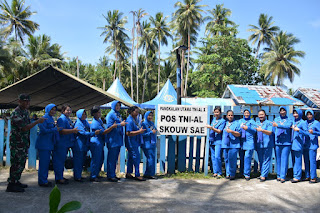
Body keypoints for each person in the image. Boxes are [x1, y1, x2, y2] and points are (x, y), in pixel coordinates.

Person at [6, 94, 45, 193]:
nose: (27, 103)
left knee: (22, 163)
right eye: (25, 101)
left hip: (23, 142)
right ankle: (11, 184)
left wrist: (36, 120)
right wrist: (37, 122)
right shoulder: (16, 113)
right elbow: (24, 127)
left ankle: (16, 181)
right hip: (17, 142)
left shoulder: (25, 112)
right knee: (16, 163)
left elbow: (28, 123)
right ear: (19, 101)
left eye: (28, 101)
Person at [89, 106, 117, 182]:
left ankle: (96, 174)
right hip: (96, 142)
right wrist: (112, 127)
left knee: (100, 159)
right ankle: (93, 176)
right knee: (96, 159)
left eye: (99, 112)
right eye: (98, 112)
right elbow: (103, 132)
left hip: (100, 142)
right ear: (94, 114)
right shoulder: (95, 123)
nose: (99, 114)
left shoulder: (99, 121)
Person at [53, 104, 79, 184]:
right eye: (67, 110)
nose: (69, 112)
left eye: (70, 110)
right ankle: (59, 178)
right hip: (61, 143)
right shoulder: (61, 119)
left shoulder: (67, 119)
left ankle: (60, 176)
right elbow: (61, 131)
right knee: (59, 161)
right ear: (63, 111)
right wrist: (73, 131)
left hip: (66, 142)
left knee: (62, 160)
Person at [36, 103, 60, 187]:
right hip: (43, 144)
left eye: (54, 110)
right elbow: (43, 130)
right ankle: (42, 181)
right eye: (52, 109)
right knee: (43, 163)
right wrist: (54, 129)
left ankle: (44, 179)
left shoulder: (51, 118)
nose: (53, 111)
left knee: (46, 163)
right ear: (48, 109)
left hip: (49, 143)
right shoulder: (44, 118)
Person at [73, 109, 100, 182]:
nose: (84, 116)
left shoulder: (84, 122)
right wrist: (94, 133)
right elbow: (83, 133)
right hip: (79, 145)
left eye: (85, 114)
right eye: (82, 114)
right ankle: (77, 177)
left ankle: (79, 175)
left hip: (84, 145)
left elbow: (89, 129)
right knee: (78, 161)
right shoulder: (78, 123)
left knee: (81, 161)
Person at [295, 109, 319, 184]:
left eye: (310, 114)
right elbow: (298, 127)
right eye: (307, 115)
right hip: (305, 144)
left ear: (313, 115)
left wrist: (314, 132)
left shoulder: (316, 123)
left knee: (312, 162)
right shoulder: (304, 123)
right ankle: (307, 175)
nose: (309, 116)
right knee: (306, 161)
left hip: (312, 145)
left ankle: (313, 177)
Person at [106, 101, 127, 182]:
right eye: (117, 105)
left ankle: (113, 174)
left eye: (119, 105)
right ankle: (110, 175)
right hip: (112, 139)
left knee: (115, 158)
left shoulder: (118, 114)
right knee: (111, 158)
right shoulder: (110, 114)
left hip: (118, 138)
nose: (118, 107)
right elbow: (109, 126)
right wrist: (120, 125)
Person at [273, 106, 293, 183]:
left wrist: (278, 125)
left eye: (284, 110)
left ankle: (283, 176)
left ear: (286, 111)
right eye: (281, 110)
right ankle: (278, 175)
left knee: (284, 159)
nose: (282, 112)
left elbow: (287, 126)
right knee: (278, 159)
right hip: (278, 142)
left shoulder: (289, 120)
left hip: (286, 142)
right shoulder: (276, 119)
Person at [125, 106, 146, 181]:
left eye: (138, 112)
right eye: (136, 111)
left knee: (131, 158)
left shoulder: (135, 120)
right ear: (131, 112)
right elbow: (128, 133)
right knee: (136, 157)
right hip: (131, 142)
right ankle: (137, 174)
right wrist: (139, 132)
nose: (137, 113)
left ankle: (128, 173)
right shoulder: (130, 121)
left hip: (135, 141)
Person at [205, 107, 226, 178]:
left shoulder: (222, 121)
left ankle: (220, 172)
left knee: (217, 157)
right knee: (213, 157)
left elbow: (219, 131)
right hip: (212, 140)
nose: (216, 114)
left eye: (217, 112)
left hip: (218, 141)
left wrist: (211, 128)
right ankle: (215, 172)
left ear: (220, 113)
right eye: (215, 112)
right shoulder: (213, 120)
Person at [221, 110, 241, 180]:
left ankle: (232, 174)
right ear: (226, 116)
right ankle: (227, 173)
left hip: (234, 144)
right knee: (226, 159)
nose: (230, 116)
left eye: (231, 115)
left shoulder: (236, 123)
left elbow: (239, 134)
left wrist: (232, 131)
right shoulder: (225, 123)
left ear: (233, 116)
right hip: (225, 144)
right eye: (229, 115)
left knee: (232, 159)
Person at [255, 109, 274, 182]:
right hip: (259, 144)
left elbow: (269, 132)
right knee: (261, 160)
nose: (261, 116)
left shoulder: (268, 123)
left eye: (262, 114)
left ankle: (263, 175)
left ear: (265, 115)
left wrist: (262, 130)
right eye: (260, 115)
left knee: (266, 159)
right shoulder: (256, 123)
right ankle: (263, 174)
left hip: (267, 144)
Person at [239, 109, 257, 181]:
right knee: (241, 158)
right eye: (245, 113)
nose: (246, 114)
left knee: (247, 158)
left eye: (247, 113)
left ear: (249, 114)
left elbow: (254, 131)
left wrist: (247, 128)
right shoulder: (240, 121)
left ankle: (247, 174)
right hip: (241, 142)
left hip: (249, 142)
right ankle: (241, 172)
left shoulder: (252, 121)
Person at [290, 108, 307, 183]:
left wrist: (299, 130)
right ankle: (295, 174)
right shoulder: (294, 121)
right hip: (292, 143)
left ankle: (298, 176)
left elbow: (307, 133)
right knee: (293, 160)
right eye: (294, 113)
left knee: (298, 160)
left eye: (297, 113)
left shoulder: (303, 122)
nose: (295, 115)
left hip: (298, 144)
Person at [141, 111, 157, 179]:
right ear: (146, 116)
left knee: (151, 159)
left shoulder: (152, 123)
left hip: (152, 143)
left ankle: (147, 173)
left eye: (151, 115)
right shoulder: (144, 124)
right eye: (149, 115)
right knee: (151, 159)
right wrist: (151, 132)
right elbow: (142, 134)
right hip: (147, 144)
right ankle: (151, 174)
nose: (150, 117)